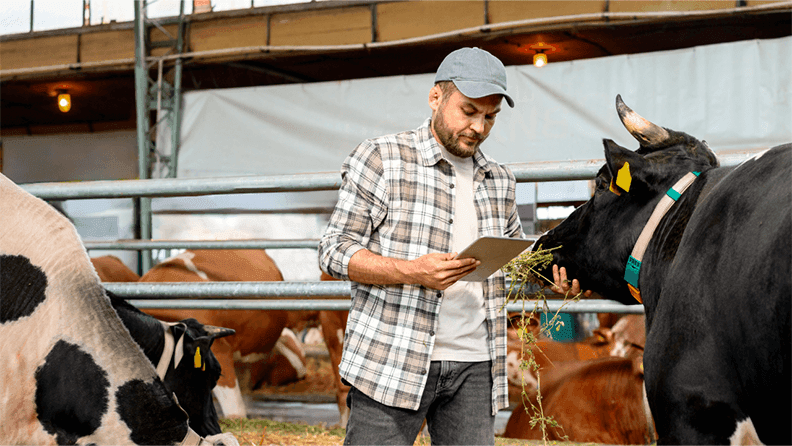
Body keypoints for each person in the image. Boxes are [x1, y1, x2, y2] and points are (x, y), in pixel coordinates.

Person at [318, 47, 586, 445]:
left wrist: (551, 281)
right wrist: (412, 271)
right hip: (393, 357)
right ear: (436, 97)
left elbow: (512, 264)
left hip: (476, 363)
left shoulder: (500, 180)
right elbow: (334, 250)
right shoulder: (382, 158)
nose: (478, 127)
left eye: (490, 116)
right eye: (469, 110)